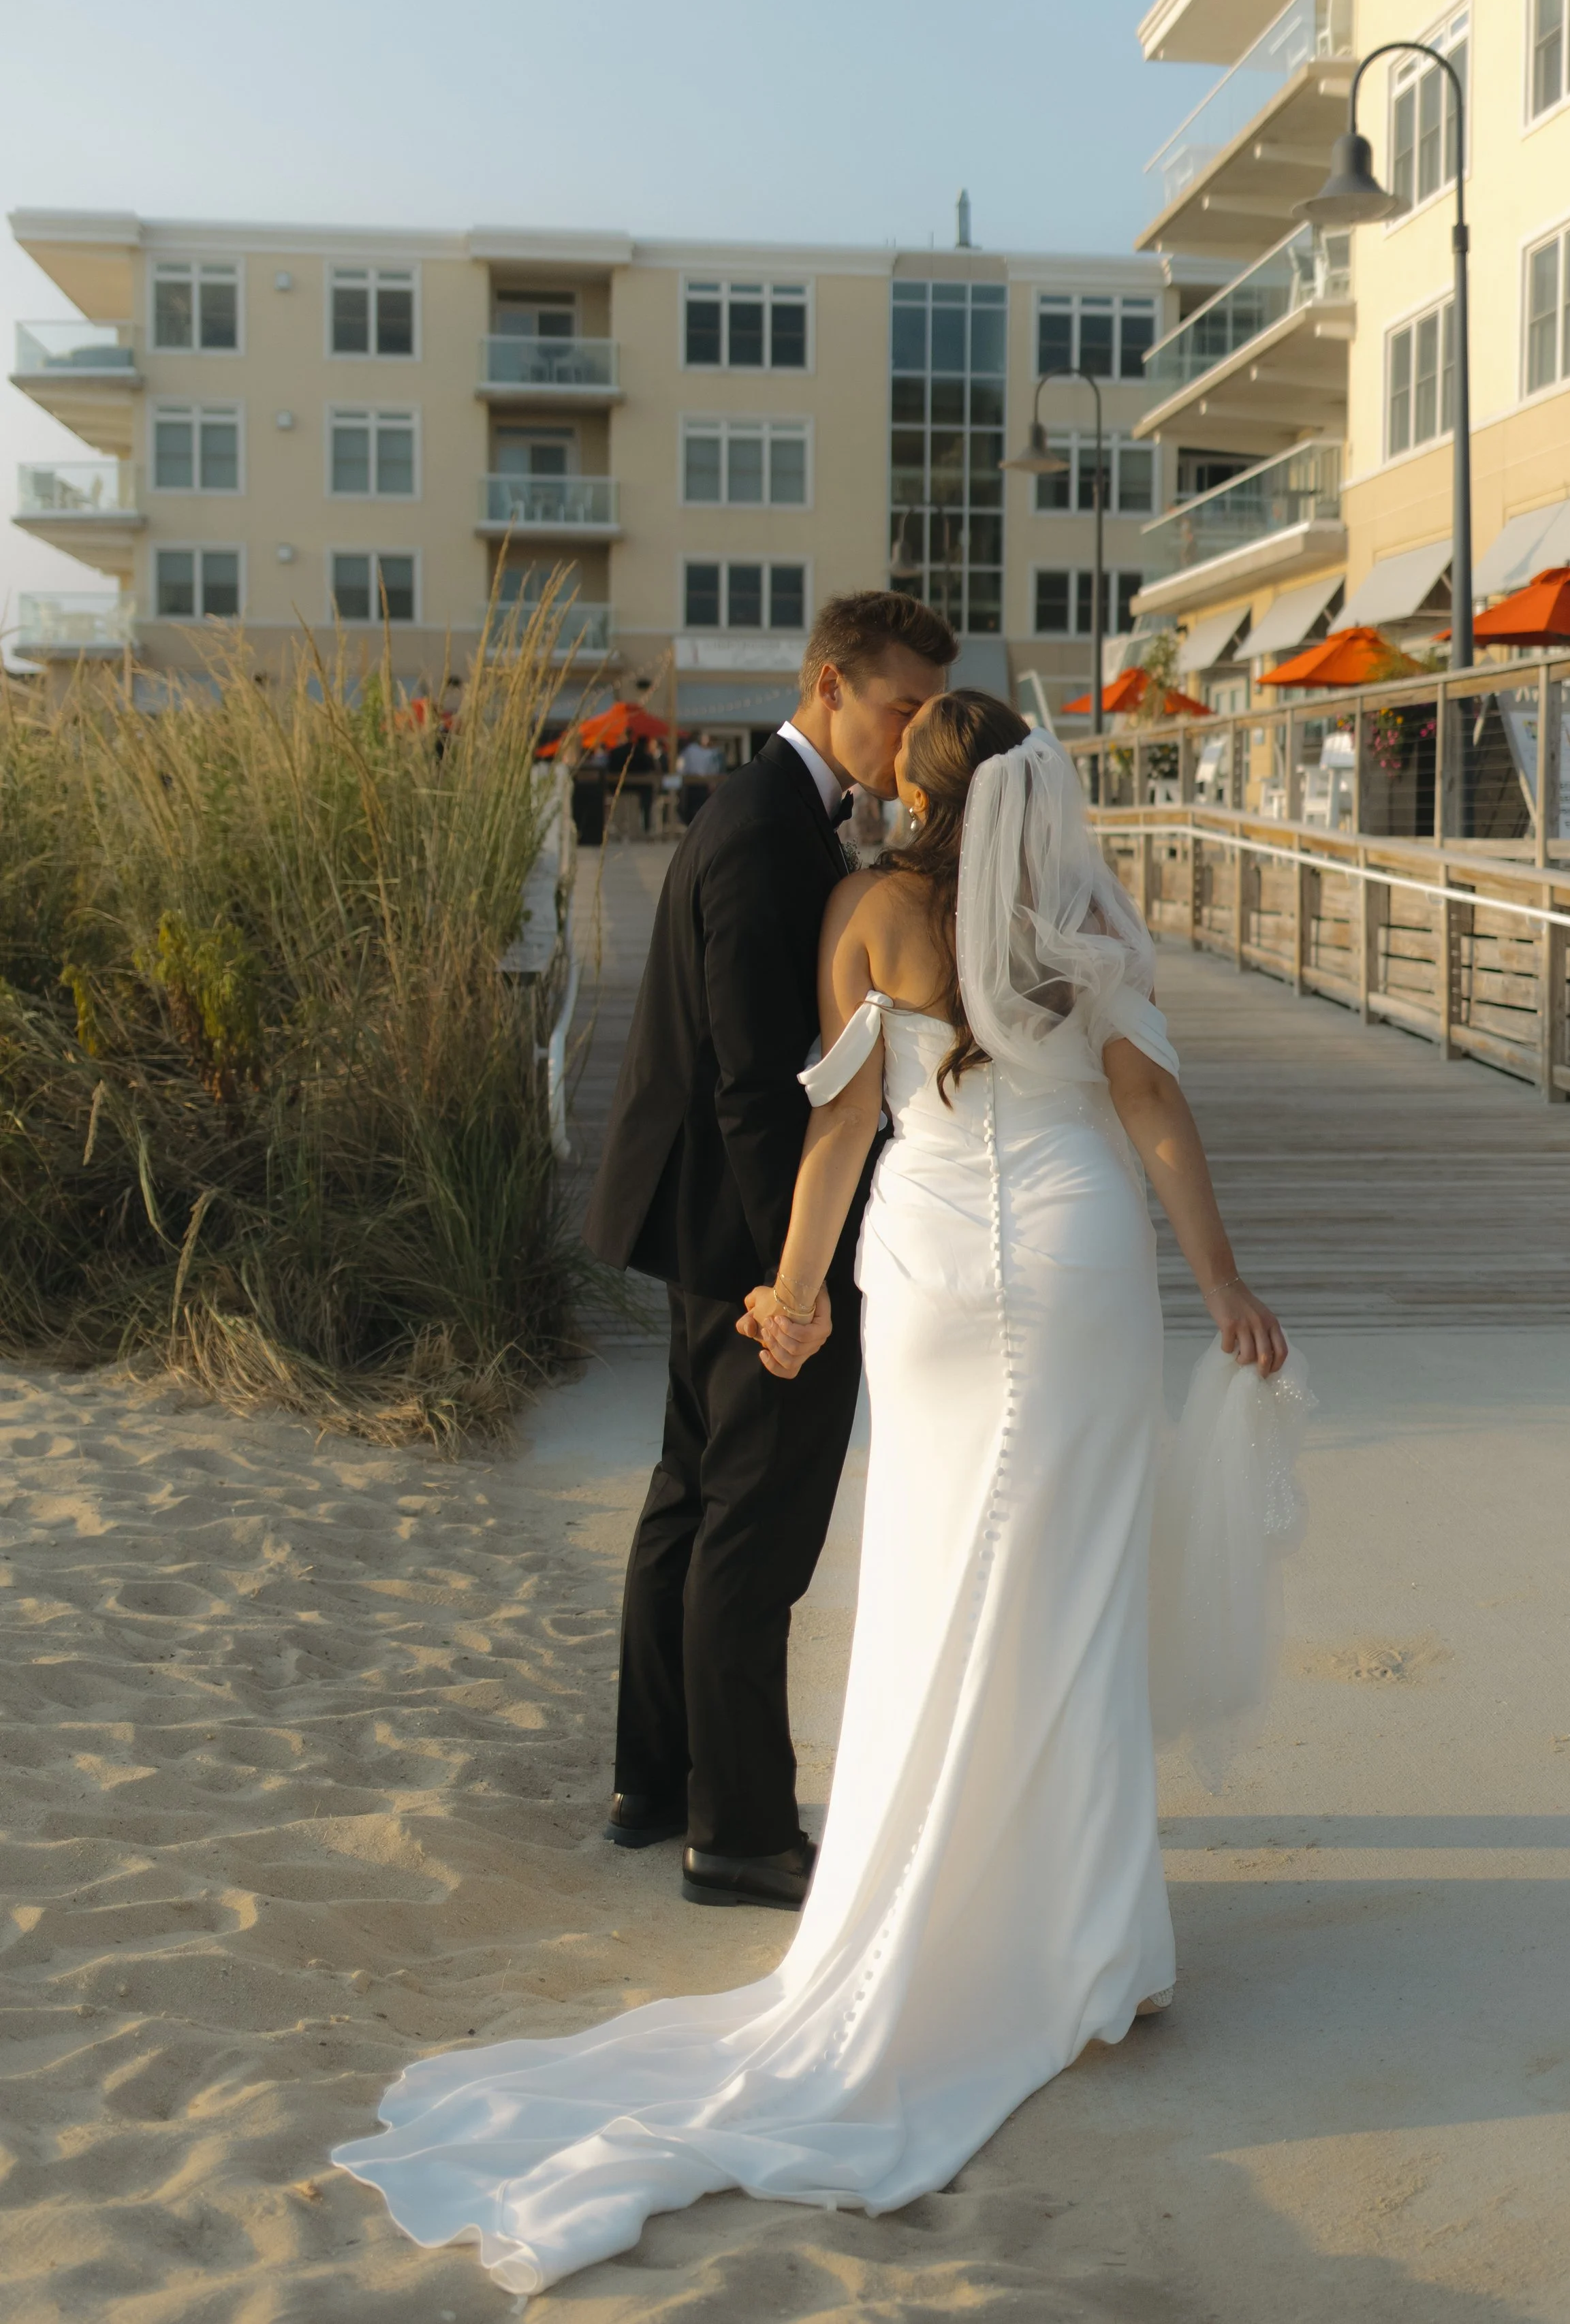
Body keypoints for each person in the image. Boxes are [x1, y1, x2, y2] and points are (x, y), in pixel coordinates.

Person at [331, 686, 1307, 2295]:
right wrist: (1223, 1283)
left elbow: (840, 1122)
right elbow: (1150, 1105)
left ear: (912, 787)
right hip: (1068, 1264)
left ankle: (932, 1897)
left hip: (920, 1274)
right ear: (1026, 796)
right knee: (1066, 1594)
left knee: (930, 1584)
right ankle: (1084, 1949)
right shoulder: (1074, 911)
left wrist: (792, 1294)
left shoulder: (865, 907)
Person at [582, 592, 952, 1905]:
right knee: (752, 1521)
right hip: (736, 1227)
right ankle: (737, 1829)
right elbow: (755, 1080)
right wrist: (784, 1283)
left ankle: (656, 1780)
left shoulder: (777, 815)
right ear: (830, 682)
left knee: (691, 1495)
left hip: (698, 1215)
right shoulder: (763, 832)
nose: (911, 737)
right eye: (901, 706)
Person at [676, 731, 723, 826]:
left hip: (691, 783)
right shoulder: (707, 753)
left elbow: (681, 768)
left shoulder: (687, 752)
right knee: (701, 808)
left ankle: (691, 826)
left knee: (690, 808)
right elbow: (712, 769)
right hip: (702, 783)